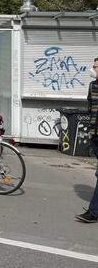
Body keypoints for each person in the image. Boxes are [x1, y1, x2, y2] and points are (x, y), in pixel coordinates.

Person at [77, 58, 98, 223]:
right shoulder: (93, 86)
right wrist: (90, 132)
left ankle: (93, 212)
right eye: (93, 66)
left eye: (96, 66)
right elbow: (90, 108)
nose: (94, 69)